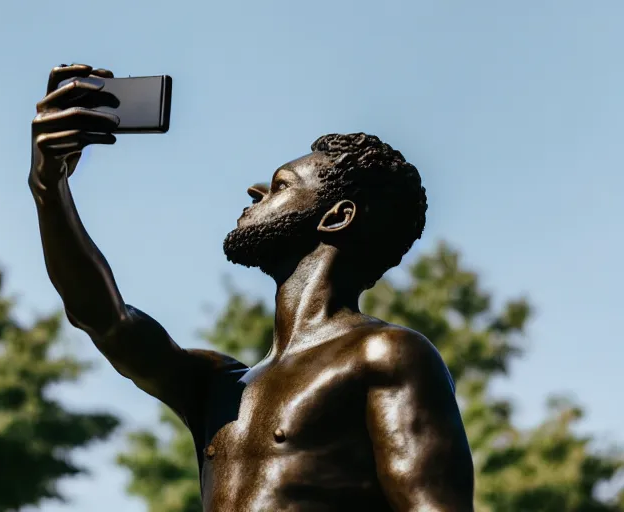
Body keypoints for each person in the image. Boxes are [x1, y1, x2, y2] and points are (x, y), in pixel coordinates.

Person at [29, 63, 475, 511]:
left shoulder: (385, 354)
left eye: (281, 185)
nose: (255, 190)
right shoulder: (217, 387)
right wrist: (49, 184)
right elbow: (105, 319)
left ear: (336, 216)